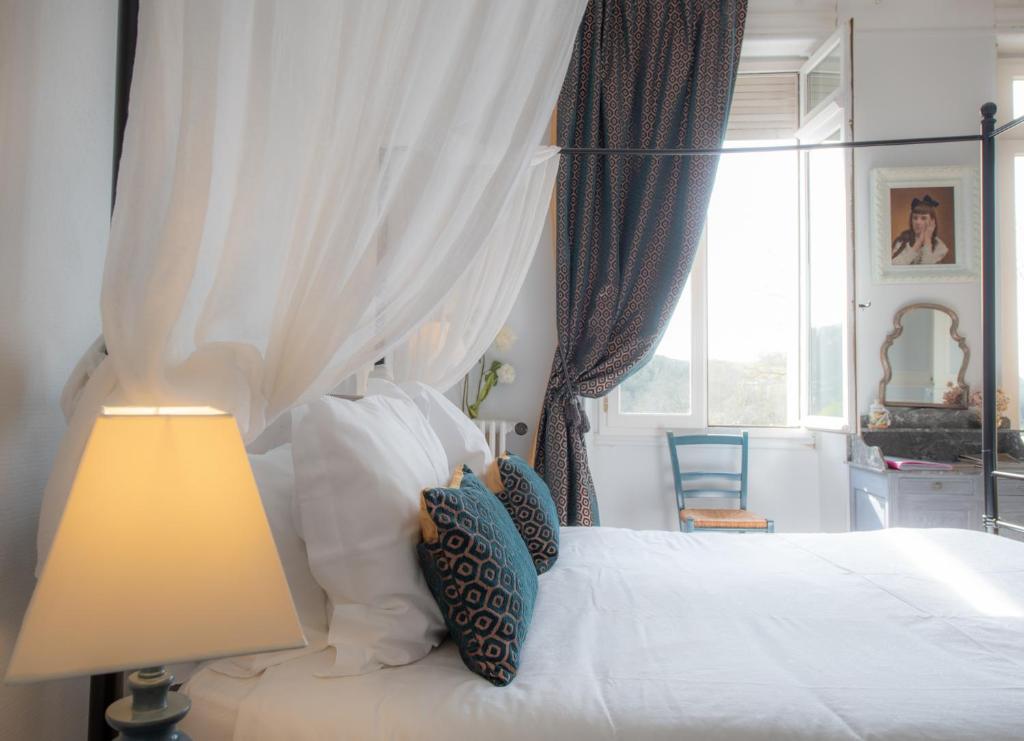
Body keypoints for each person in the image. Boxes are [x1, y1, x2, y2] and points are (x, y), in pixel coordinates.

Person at [891, 194, 950, 265]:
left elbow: (927, 270)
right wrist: (918, 243)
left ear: (932, 222)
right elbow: (894, 265)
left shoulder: (940, 247)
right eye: (915, 218)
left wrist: (927, 241)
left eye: (923, 218)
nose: (918, 222)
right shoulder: (902, 241)